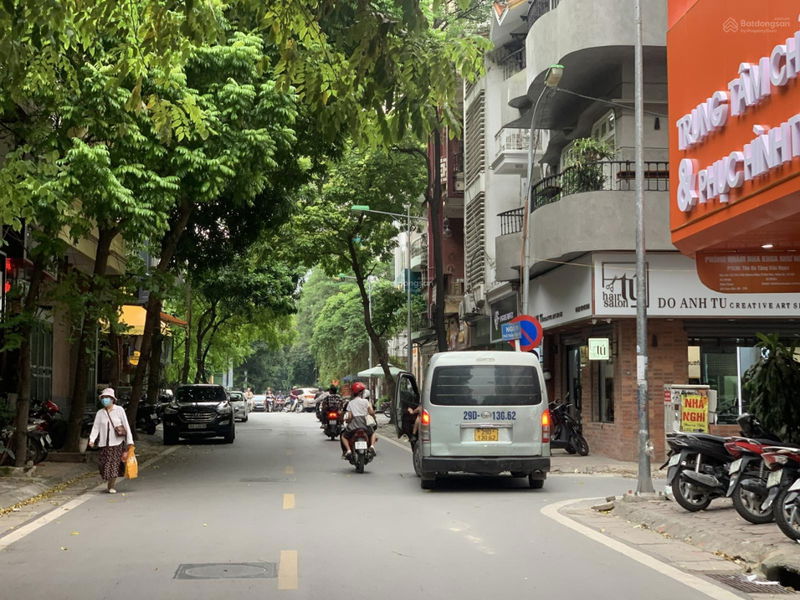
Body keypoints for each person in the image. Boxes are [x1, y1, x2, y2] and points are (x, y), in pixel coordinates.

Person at [88, 388, 134, 494]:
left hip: (117, 443)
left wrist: (129, 441)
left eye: (107, 398)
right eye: (103, 398)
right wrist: (92, 439)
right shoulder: (100, 413)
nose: (105, 400)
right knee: (103, 464)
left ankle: (111, 486)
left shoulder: (119, 410)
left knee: (113, 464)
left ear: (112, 399)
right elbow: (96, 427)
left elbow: (126, 425)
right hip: (104, 444)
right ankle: (109, 482)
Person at [341, 382, 378, 459]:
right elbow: (371, 412)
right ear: (361, 393)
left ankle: (348, 450)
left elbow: (350, 416)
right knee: (373, 433)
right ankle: (372, 446)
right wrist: (373, 415)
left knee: (343, 436)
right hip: (365, 425)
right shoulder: (366, 401)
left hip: (354, 425)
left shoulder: (350, 403)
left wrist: (347, 420)